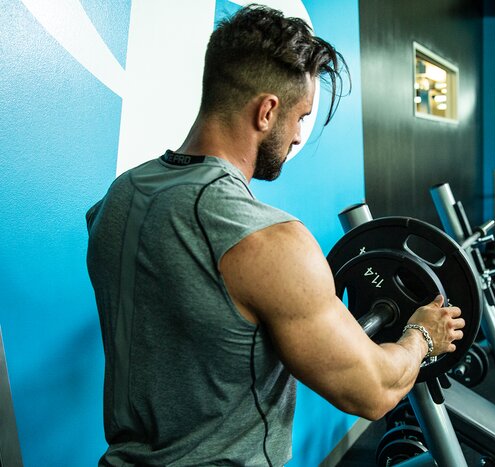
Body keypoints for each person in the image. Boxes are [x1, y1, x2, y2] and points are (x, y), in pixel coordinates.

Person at [85, 5, 464, 466]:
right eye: (300, 116)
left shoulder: (118, 199)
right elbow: (375, 389)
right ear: (267, 111)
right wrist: (423, 336)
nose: (298, 135)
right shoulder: (268, 240)